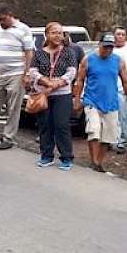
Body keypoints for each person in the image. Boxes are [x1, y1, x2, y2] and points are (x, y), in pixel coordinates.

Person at [73, 34, 127, 172]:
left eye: (111, 47)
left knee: (108, 135)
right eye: (106, 46)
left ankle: (99, 162)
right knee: (94, 130)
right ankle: (94, 160)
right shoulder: (88, 60)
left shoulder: (118, 61)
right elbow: (80, 80)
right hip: (92, 100)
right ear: (99, 45)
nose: (108, 49)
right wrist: (77, 99)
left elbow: (126, 82)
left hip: (111, 101)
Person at [0, 3, 35, 150]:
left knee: (13, 106)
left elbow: (29, 52)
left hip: (16, 73)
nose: (1, 22)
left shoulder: (23, 29)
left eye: (3, 19)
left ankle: (8, 137)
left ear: (11, 15)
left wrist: (27, 73)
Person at [30, 22, 78, 170]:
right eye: (54, 32)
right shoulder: (38, 53)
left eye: (60, 33)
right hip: (43, 94)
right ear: (47, 34)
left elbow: (71, 72)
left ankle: (67, 157)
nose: (57, 36)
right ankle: (46, 155)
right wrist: (44, 81)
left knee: (61, 125)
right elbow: (33, 71)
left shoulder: (68, 52)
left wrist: (55, 84)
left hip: (62, 94)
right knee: (45, 125)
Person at [111, 27, 127, 154]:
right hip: (109, 87)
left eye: (123, 34)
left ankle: (121, 141)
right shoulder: (109, 49)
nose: (120, 36)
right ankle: (109, 140)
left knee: (122, 116)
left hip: (123, 88)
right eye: (118, 34)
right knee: (109, 115)